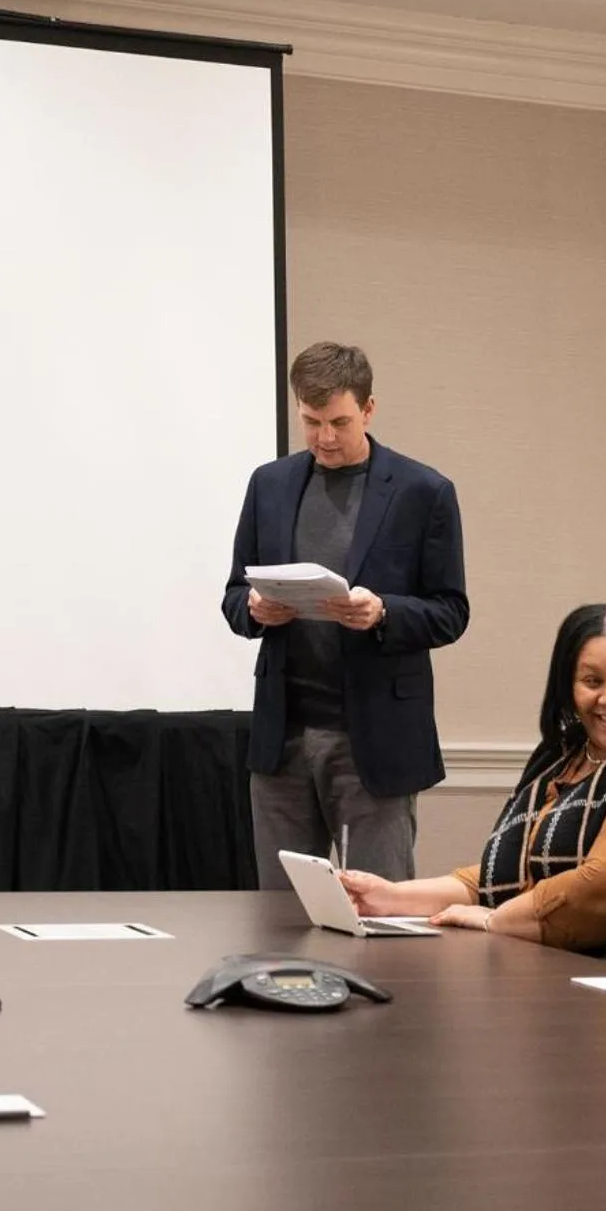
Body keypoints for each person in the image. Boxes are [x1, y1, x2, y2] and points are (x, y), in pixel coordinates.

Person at [340, 601, 606, 958]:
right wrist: (390, 898)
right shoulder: (563, 756)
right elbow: (500, 875)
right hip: (563, 972)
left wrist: (495, 921)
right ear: (569, 690)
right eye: (592, 681)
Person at [221, 341, 468, 886]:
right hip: (282, 737)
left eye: (339, 422)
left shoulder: (422, 491)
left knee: (380, 913)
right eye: (310, 422)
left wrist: (383, 612)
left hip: (373, 741)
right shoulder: (270, 484)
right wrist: (257, 609)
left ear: (369, 409)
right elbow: (234, 597)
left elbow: (451, 612)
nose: (324, 438)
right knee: (279, 918)